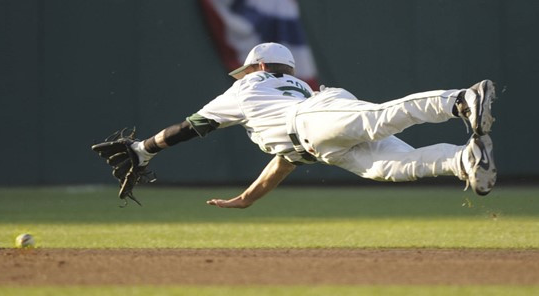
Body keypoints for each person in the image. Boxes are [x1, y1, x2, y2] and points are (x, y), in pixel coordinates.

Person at [128, 42, 497, 208]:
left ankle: (461, 100)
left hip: (311, 121)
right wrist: (247, 199)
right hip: (317, 143)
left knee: (377, 120)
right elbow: (284, 159)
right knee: (393, 167)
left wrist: (144, 149)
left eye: (247, 68)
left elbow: (190, 127)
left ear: (257, 67)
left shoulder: (246, 88)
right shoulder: (294, 86)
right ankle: (465, 160)